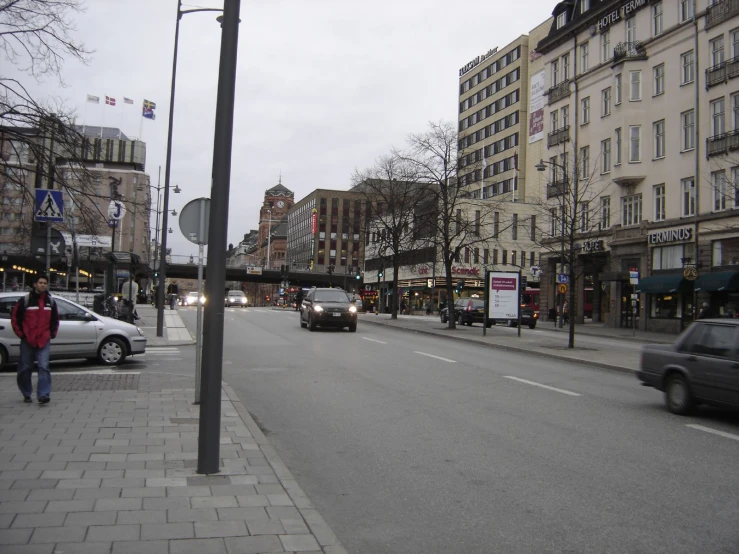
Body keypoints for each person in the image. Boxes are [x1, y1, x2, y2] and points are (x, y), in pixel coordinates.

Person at [11, 274, 59, 405]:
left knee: (44, 366)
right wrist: (22, 334)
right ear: (35, 284)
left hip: (43, 339)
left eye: (45, 283)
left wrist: (52, 333)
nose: (43, 285)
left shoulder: (50, 301)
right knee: (25, 368)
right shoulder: (25, 301)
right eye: (40, 283)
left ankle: (43, 394)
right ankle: (26, 392)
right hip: (28, 339)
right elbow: (15, 319)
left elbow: (55, 319)